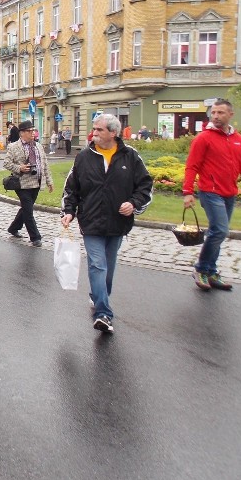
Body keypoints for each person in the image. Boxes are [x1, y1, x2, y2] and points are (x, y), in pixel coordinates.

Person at [60, 114, 153, 334]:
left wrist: (133, 204)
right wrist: (68, 211)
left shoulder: (130, 157)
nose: (94, 134)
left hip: (117, 223)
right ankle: (103, 313)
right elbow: (72, 188)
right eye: (94, 129)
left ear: (113, 133)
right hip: (91, 221)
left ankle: (98, 295)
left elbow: (145, 186)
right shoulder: (84, 157)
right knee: (97, 265)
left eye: (99, 130)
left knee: (108, 269)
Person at [182, 98, 241, 291]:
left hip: (229, 193)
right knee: (220, 230)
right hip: (210, 192)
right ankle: (202, 269)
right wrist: (187, 191)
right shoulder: (203, 138)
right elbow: (192, 165)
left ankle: (211, 271)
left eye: (220, 113)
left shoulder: (240, 140)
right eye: (213, 112)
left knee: (218, 233)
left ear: (230, 115)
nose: (216, 116)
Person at [3, 120, 54, 246]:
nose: (33, 133)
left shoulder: (38, 146)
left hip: (36, 183)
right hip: (22, 184)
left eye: (33, 131)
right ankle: (35, 237)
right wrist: (19, 168)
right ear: (21, 133)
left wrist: (49, 181)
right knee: (28, 210)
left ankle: (13, 228)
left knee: (26, 209)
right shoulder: (13, 146)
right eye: (30, 131)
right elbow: (7, 163)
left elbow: (45, 164)